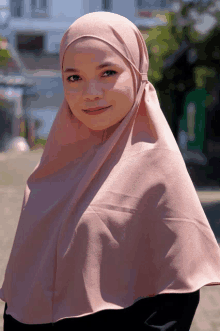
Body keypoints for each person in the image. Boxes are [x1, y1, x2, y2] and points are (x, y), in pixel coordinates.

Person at [1, 11, 220, 331]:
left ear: (136, 73)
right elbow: (21, 297)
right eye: (73, 77)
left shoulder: (159, 172)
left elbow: (175, 301)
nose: (90, 92)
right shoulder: (48, 172)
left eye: (108, 72)